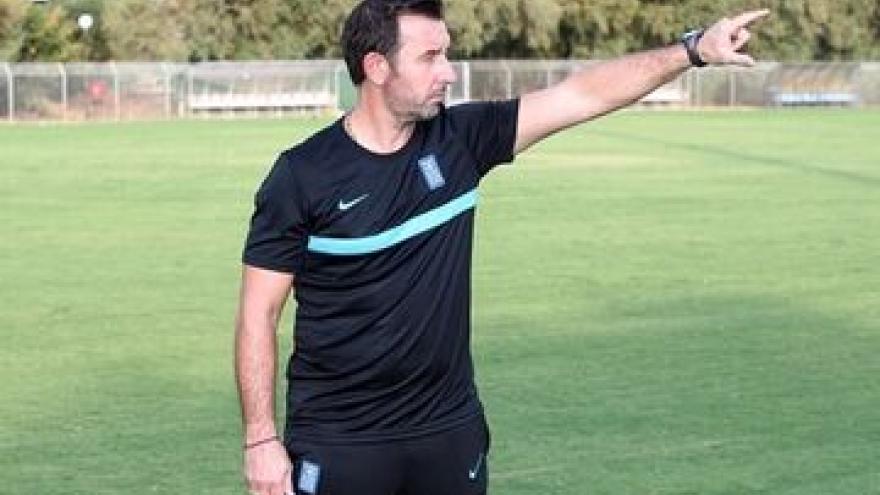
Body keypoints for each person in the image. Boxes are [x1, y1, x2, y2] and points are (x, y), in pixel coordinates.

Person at [234, 1, 768, 494]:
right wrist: (261, 439)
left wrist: (693, 51)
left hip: (449, 432)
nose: (448, 71)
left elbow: (582, 95)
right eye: (430, 57)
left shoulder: (460, 140)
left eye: (446, 53)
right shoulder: (301, 176)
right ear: (376, 67)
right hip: (340, 441)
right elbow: (259, 313)